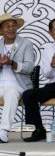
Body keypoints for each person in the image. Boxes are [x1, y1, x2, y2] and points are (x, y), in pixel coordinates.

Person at [0, 12, 36, 143]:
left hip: (17, 84)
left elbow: (29, 68)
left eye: (13, 25)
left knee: (11, 93)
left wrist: (12, 63)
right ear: (2, 30)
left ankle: (3, 132)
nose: (11, 29)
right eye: (7, 26)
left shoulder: (25, 43)